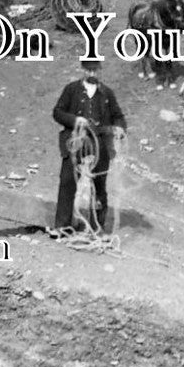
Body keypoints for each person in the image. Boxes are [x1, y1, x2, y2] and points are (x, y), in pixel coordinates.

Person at [49, 60, 127, 236]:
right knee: (67, 182)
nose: (92, 74)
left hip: (99, 141)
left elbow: (119, 117)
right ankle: (62, 226)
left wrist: (120, 128)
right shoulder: (71, 90)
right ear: (82, 69)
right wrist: (75, 120)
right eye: (88, 70)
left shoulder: (107, 93)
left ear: (100, 70)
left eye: (95, 70)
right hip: (75, 140)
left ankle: (96, 228)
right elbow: (57, 112)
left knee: (99, 185)